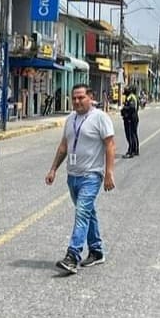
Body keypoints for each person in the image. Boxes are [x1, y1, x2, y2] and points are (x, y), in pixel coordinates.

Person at [45, 84, 115, 274]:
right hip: (73, 176)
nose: (77, 101)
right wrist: (53, 169)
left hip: (92, 175)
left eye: (81, 97)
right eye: (74, 98)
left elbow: (110, 145)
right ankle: (96, 251)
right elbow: (63, 147)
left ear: (90, 97)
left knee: (82, 213)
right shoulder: (71, 119)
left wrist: (109, 172)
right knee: (88, 213)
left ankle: (72, 255)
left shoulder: (100, 117)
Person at [120, 85, 139, 158]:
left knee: (130, 134)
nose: (125, 92)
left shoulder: (131, 97)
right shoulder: (133, 96)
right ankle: (135, 150)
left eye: (126, 90)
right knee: (133, 134)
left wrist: (124, 109)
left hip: (131, 118)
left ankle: (131, 151)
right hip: (133, 117)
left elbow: (132, 107)